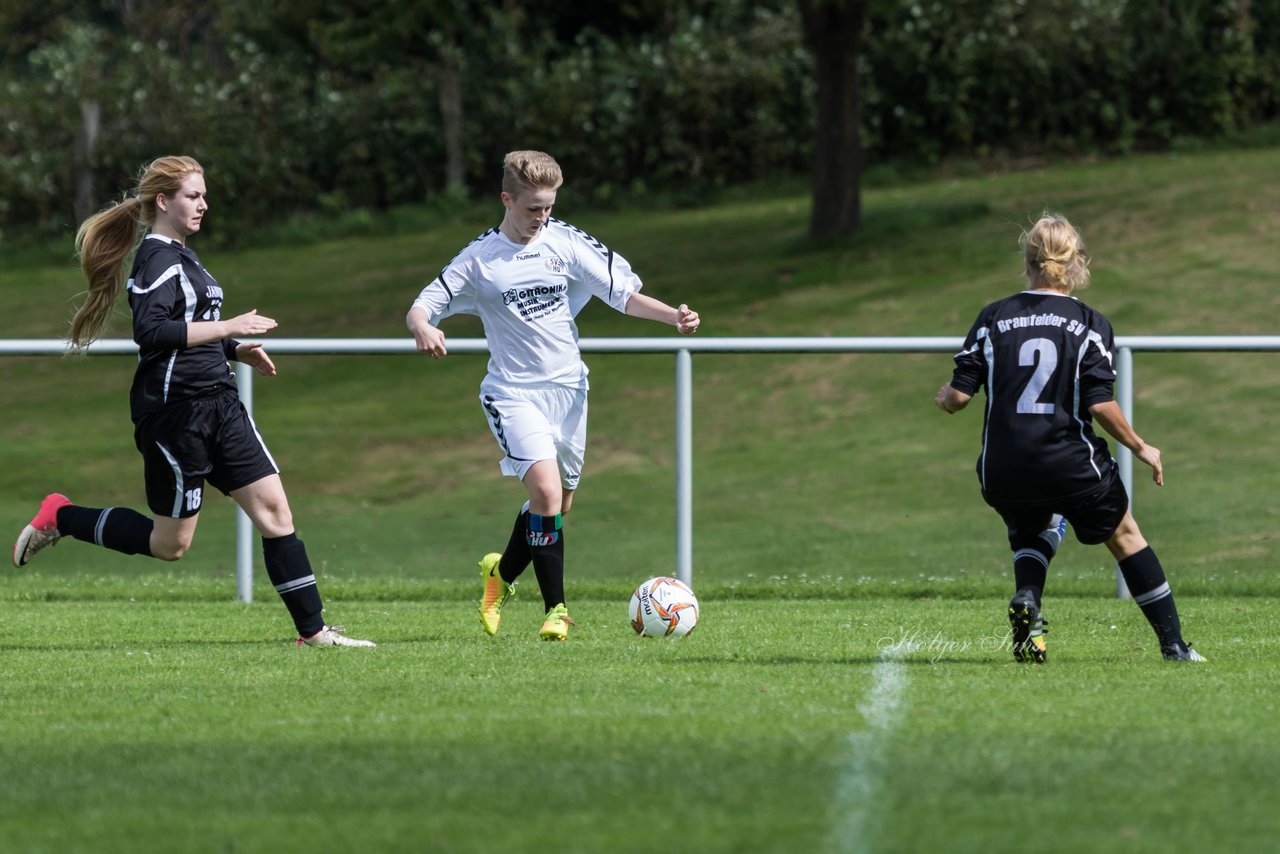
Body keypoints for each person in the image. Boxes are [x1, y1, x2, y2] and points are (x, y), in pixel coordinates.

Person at [11, 155, 373, 649]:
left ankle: (313, 632)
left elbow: (189, 326)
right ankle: (62, 516)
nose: (203, 204)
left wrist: (232, 349)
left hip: (220, 403)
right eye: (192, 196)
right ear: (163, 201)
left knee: (275, 514)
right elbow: (152, 332)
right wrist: (229, 327)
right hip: (175, 415)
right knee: (170, 545)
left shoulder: (186, 256)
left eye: (203, 195)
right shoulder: (157, 258)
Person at [406, 150, 700, 641]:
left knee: (557, 508)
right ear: (507, 199)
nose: (541, 217)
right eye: (532, 208)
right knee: (543, 493)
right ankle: (556, 610)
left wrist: (674, 315)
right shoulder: (479, 260)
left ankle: (499, 577)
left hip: (569, 392)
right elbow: (423, 304)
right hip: (512, 393)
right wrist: (422, 327)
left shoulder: (564, 242)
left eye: (548, 207)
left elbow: (622, 295)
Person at [933, 212, 1203, 663]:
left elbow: (959, 397)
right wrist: (1141, 446)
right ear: (1075, 261)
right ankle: (1174, 647)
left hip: (1003, 466)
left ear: (1028, 259)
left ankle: (1028, 601)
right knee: (1126, 536)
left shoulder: (993, 317)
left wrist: (942, 397)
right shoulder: (1089, 322)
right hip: (1069, 461)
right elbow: (1099, 405)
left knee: (1032, 527)